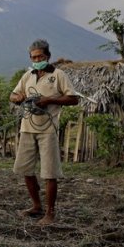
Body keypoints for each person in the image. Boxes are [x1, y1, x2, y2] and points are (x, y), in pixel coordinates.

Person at [9, 39, 79, 225]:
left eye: (40, 56)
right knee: (26, 169)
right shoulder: (27, 76)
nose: (37, 59)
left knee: (49, 172)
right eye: (34, 57)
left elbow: (73, 99)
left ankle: (50, 213)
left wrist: (49, 100)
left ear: (48, 56)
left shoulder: (58, 75)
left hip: (48, 129)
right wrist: (18, 97)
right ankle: (36, 206)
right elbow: (13, 95)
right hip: (27, 128)